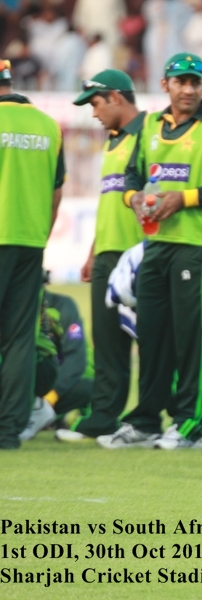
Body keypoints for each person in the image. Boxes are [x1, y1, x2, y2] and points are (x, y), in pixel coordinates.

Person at [98, 52, 202, 450]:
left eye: (195, 82)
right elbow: (131, 176)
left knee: (191, 338)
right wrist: (133, 199)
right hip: (157, 245)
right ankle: (146, 420)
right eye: (180, 81)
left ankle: (189, 424)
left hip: (197, 246)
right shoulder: (149, 125)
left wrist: (182, 199)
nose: (188, 89)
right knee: (151, 337)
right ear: (165, 85)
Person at [57, 70, 145, 443]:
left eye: (94, 103)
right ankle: (104, 418)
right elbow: (110, 202)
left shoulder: (151, 133)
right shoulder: (112, 141)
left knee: (154, 343)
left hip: (140, 255)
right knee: (108, 343)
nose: (93, 113)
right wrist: (95, 251)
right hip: (109, 253)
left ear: (114, 97)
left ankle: (156, 418)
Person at [0, 58, 66, 450]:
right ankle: (8, 431)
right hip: (30, 241)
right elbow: (56, 194)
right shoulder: (47, 126)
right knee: (20, 339)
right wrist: (39, 234)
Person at [21, 280, 95, 441]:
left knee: (88, 387)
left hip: (58, 384)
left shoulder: (62, 306)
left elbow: (76, 358)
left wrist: (51, 397)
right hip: (24, 385)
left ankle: (42, 412)